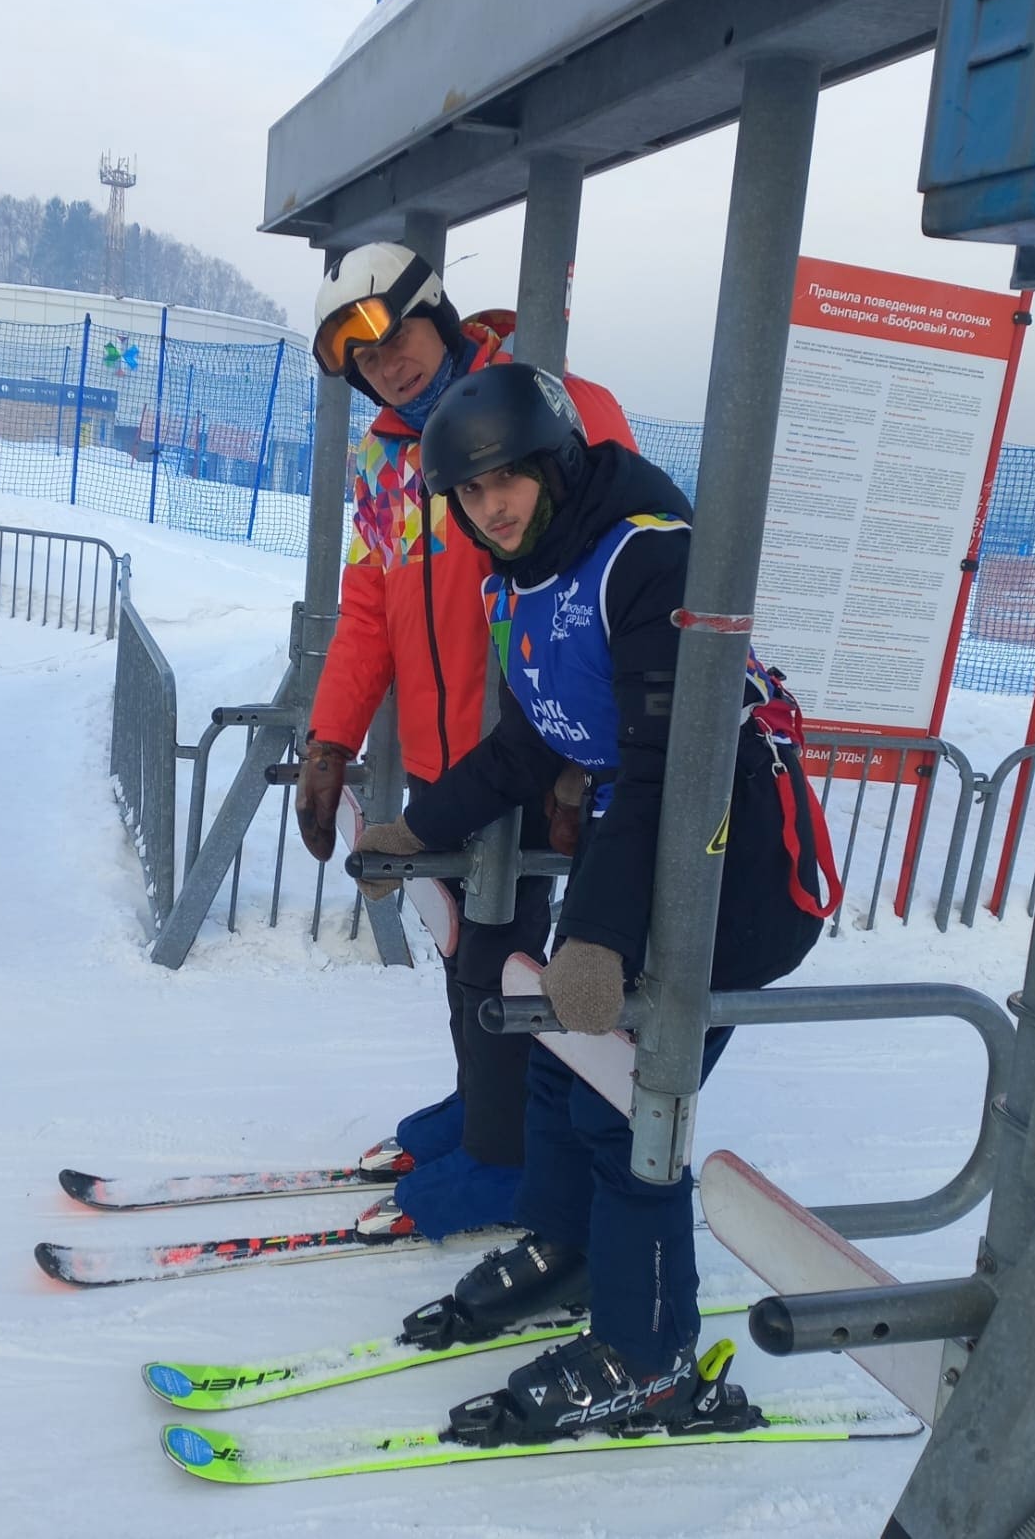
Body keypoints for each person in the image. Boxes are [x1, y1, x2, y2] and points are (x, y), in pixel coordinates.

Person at [353, 362, 837, 1444]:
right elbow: (535, 740)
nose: (492, 507)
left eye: (508, 480)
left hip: (727, 872)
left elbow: (667, 768)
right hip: (638, 858)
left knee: (629, 1105)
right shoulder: (523, 576)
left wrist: (600, 937)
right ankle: (574, 1254)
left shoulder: (646, 557)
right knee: (564, 1070)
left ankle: (649, 1354)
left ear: (556, 464)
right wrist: (424, 826)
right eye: (471, 492)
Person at [299, 243, 637, 1242]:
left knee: (502, 950)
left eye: (396, 336)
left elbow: (627, 569)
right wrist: (330, 738)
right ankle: (484, 1104)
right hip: (447, 758)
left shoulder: (554, 403)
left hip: (540, 749)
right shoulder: (385, 459)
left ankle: (506, 1154)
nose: (388, 366)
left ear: (438, 312)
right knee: (463, 943)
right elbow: (370, 606)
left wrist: (584, 753)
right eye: (364, 361)